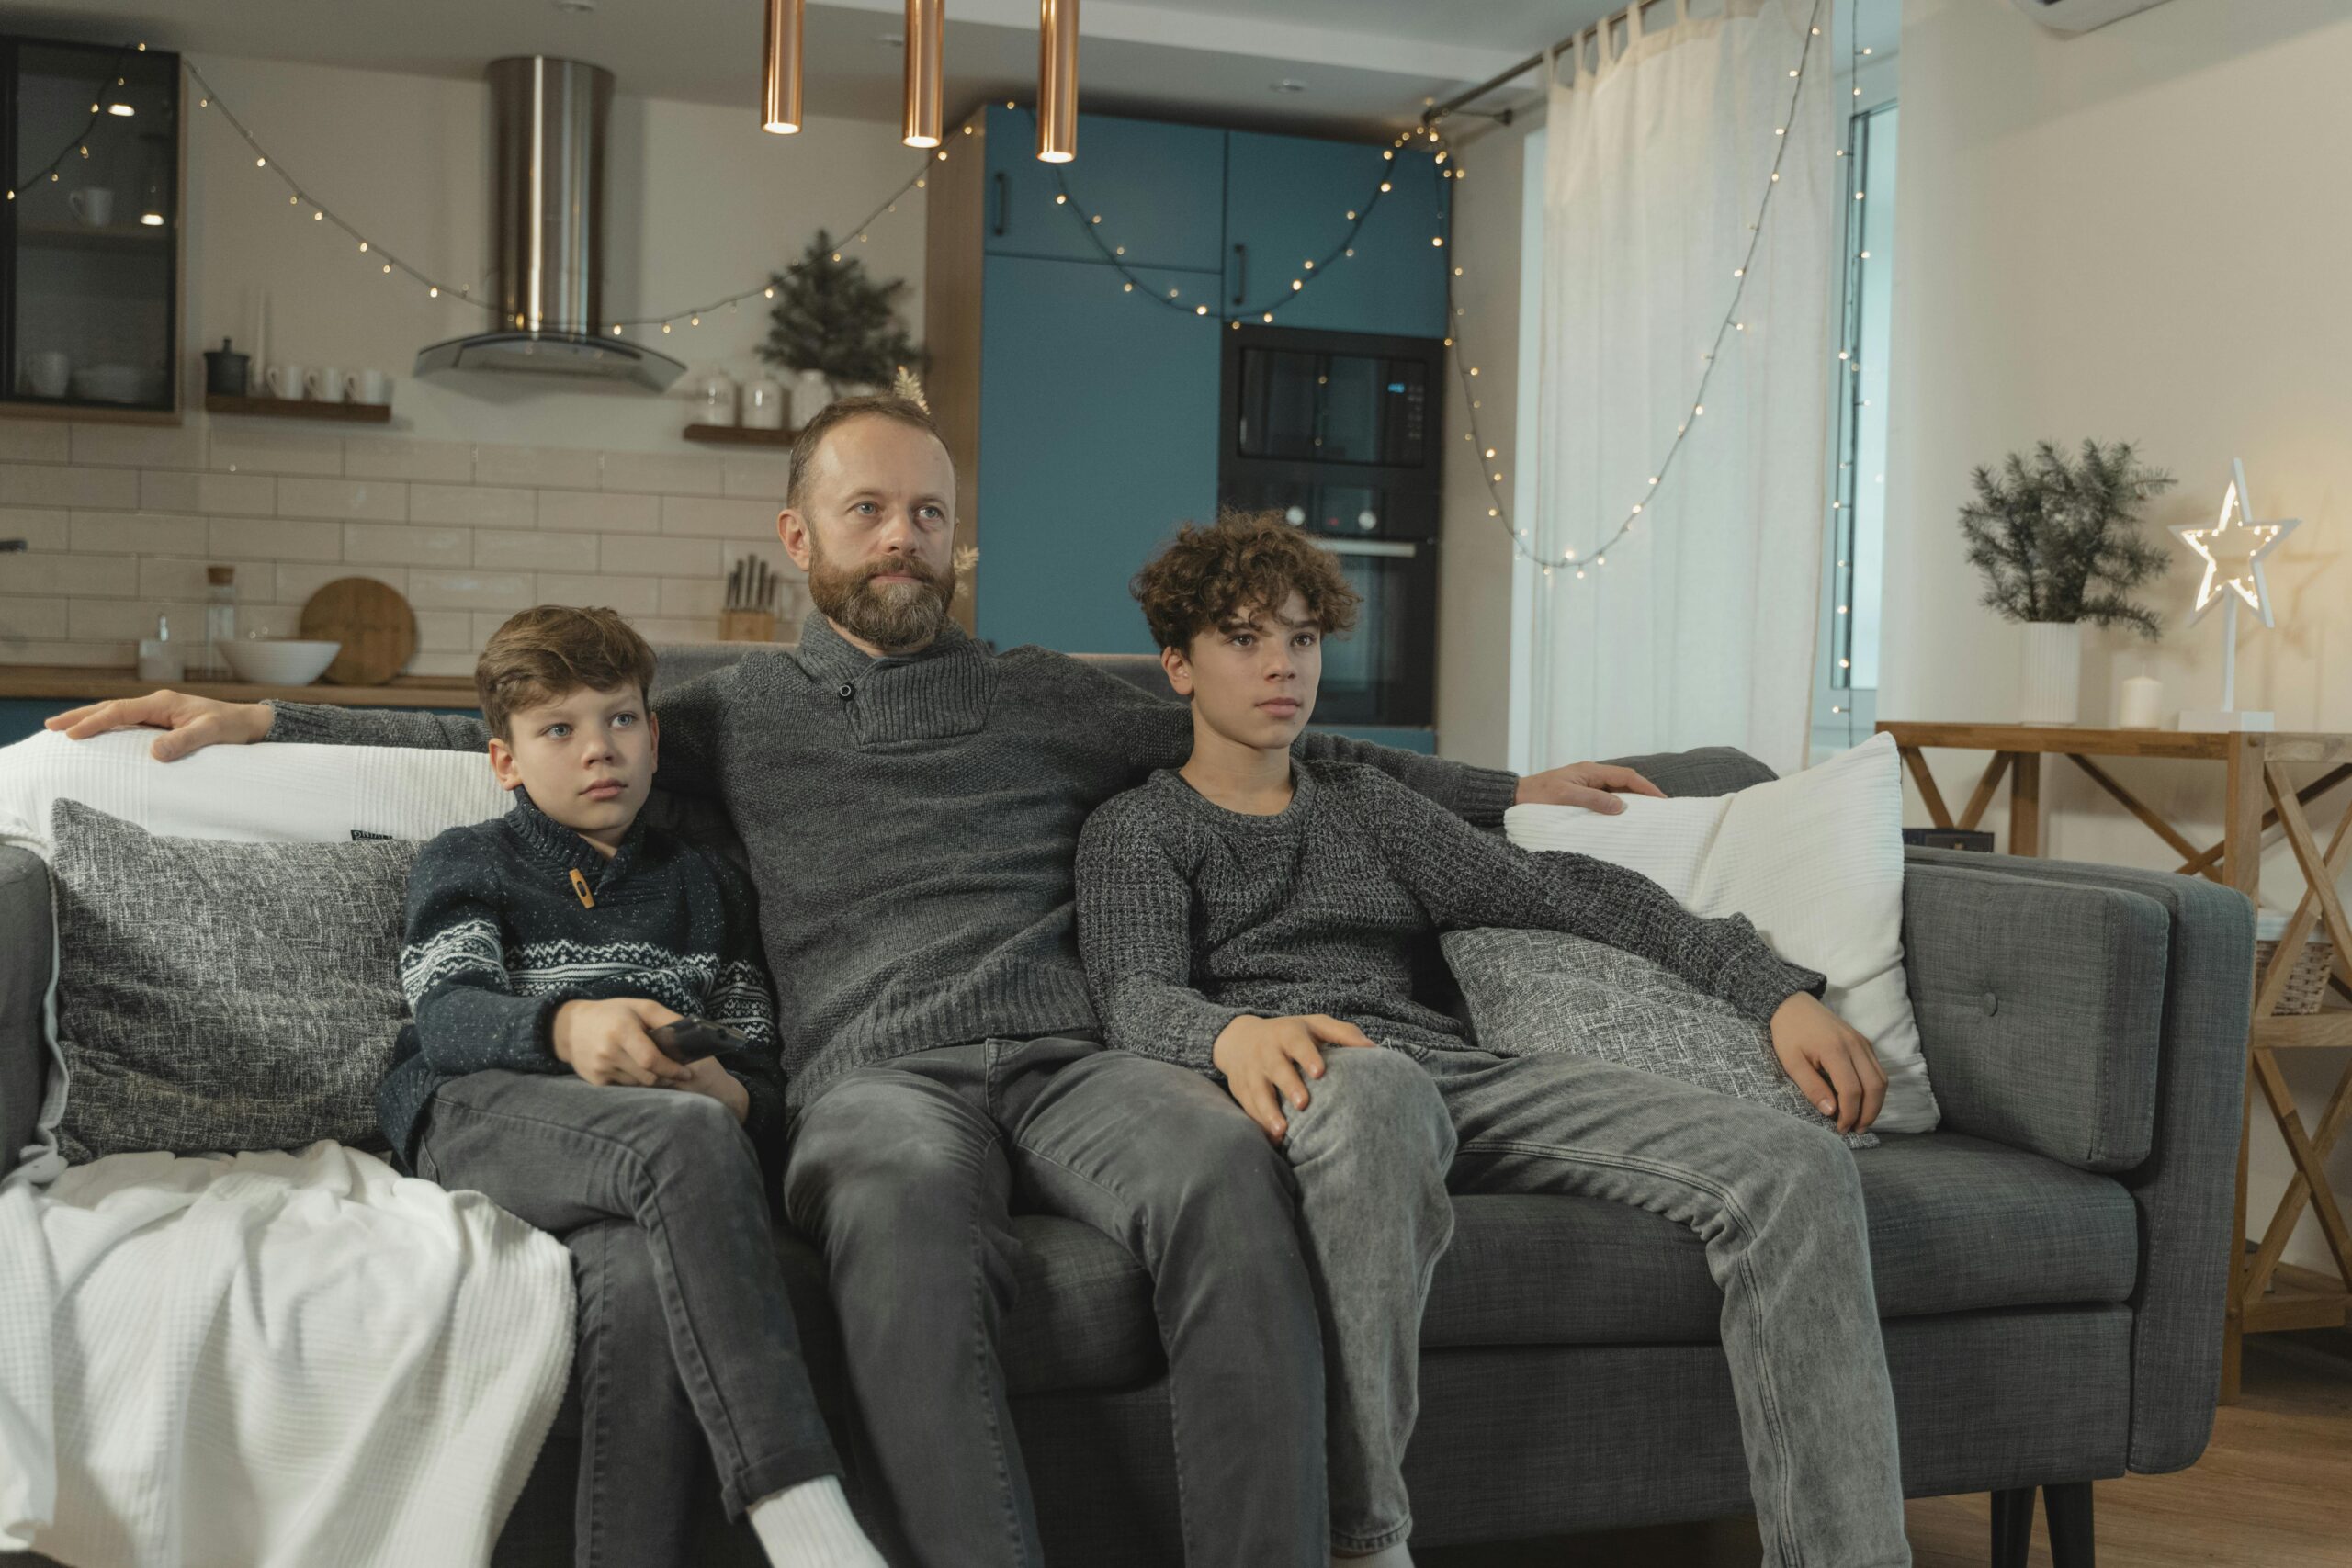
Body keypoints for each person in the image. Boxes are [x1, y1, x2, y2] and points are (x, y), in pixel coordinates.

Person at [47, 396, 1667, 1568]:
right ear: (798, 535)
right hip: (872, 1083)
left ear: (958, 537)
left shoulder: (1052, 697)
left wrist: (1516, 786)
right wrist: (263, 718)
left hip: (1075, 1054)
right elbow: (522, 735)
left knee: (1230, 1176)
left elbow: (1274, 733)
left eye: (931, 514)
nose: (904, 540)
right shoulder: (730, 716)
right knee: (891, 1212)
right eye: (870, 510)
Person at [1074, 512, 1909, 1568]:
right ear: (1179, 668)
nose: (1280, 666)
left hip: (1466, 1079)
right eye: (1243, 640)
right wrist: (1232, 1032)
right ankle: (1363, 1543)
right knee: (1378, 1091)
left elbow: (1564, 891)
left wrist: (1773, 993)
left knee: (1797, 1168)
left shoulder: (1365, 804)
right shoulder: (1139, 829)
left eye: (1301, 639)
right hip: (1313, 1086)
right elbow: (1130, 995)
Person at [379, 604, 879, 1568]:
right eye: (557, 730)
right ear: (507, 761)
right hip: (483, 1108)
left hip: (642, 1143)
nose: (596, 750)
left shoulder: (707, 886)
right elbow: (448, 1018)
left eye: (617, 719)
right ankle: (803, 1513)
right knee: (683, 1142)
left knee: (645, 1280)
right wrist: (569, 1027)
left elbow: (759, 1067)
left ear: (653, 736)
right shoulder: (468, 858)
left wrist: (725, 1092)